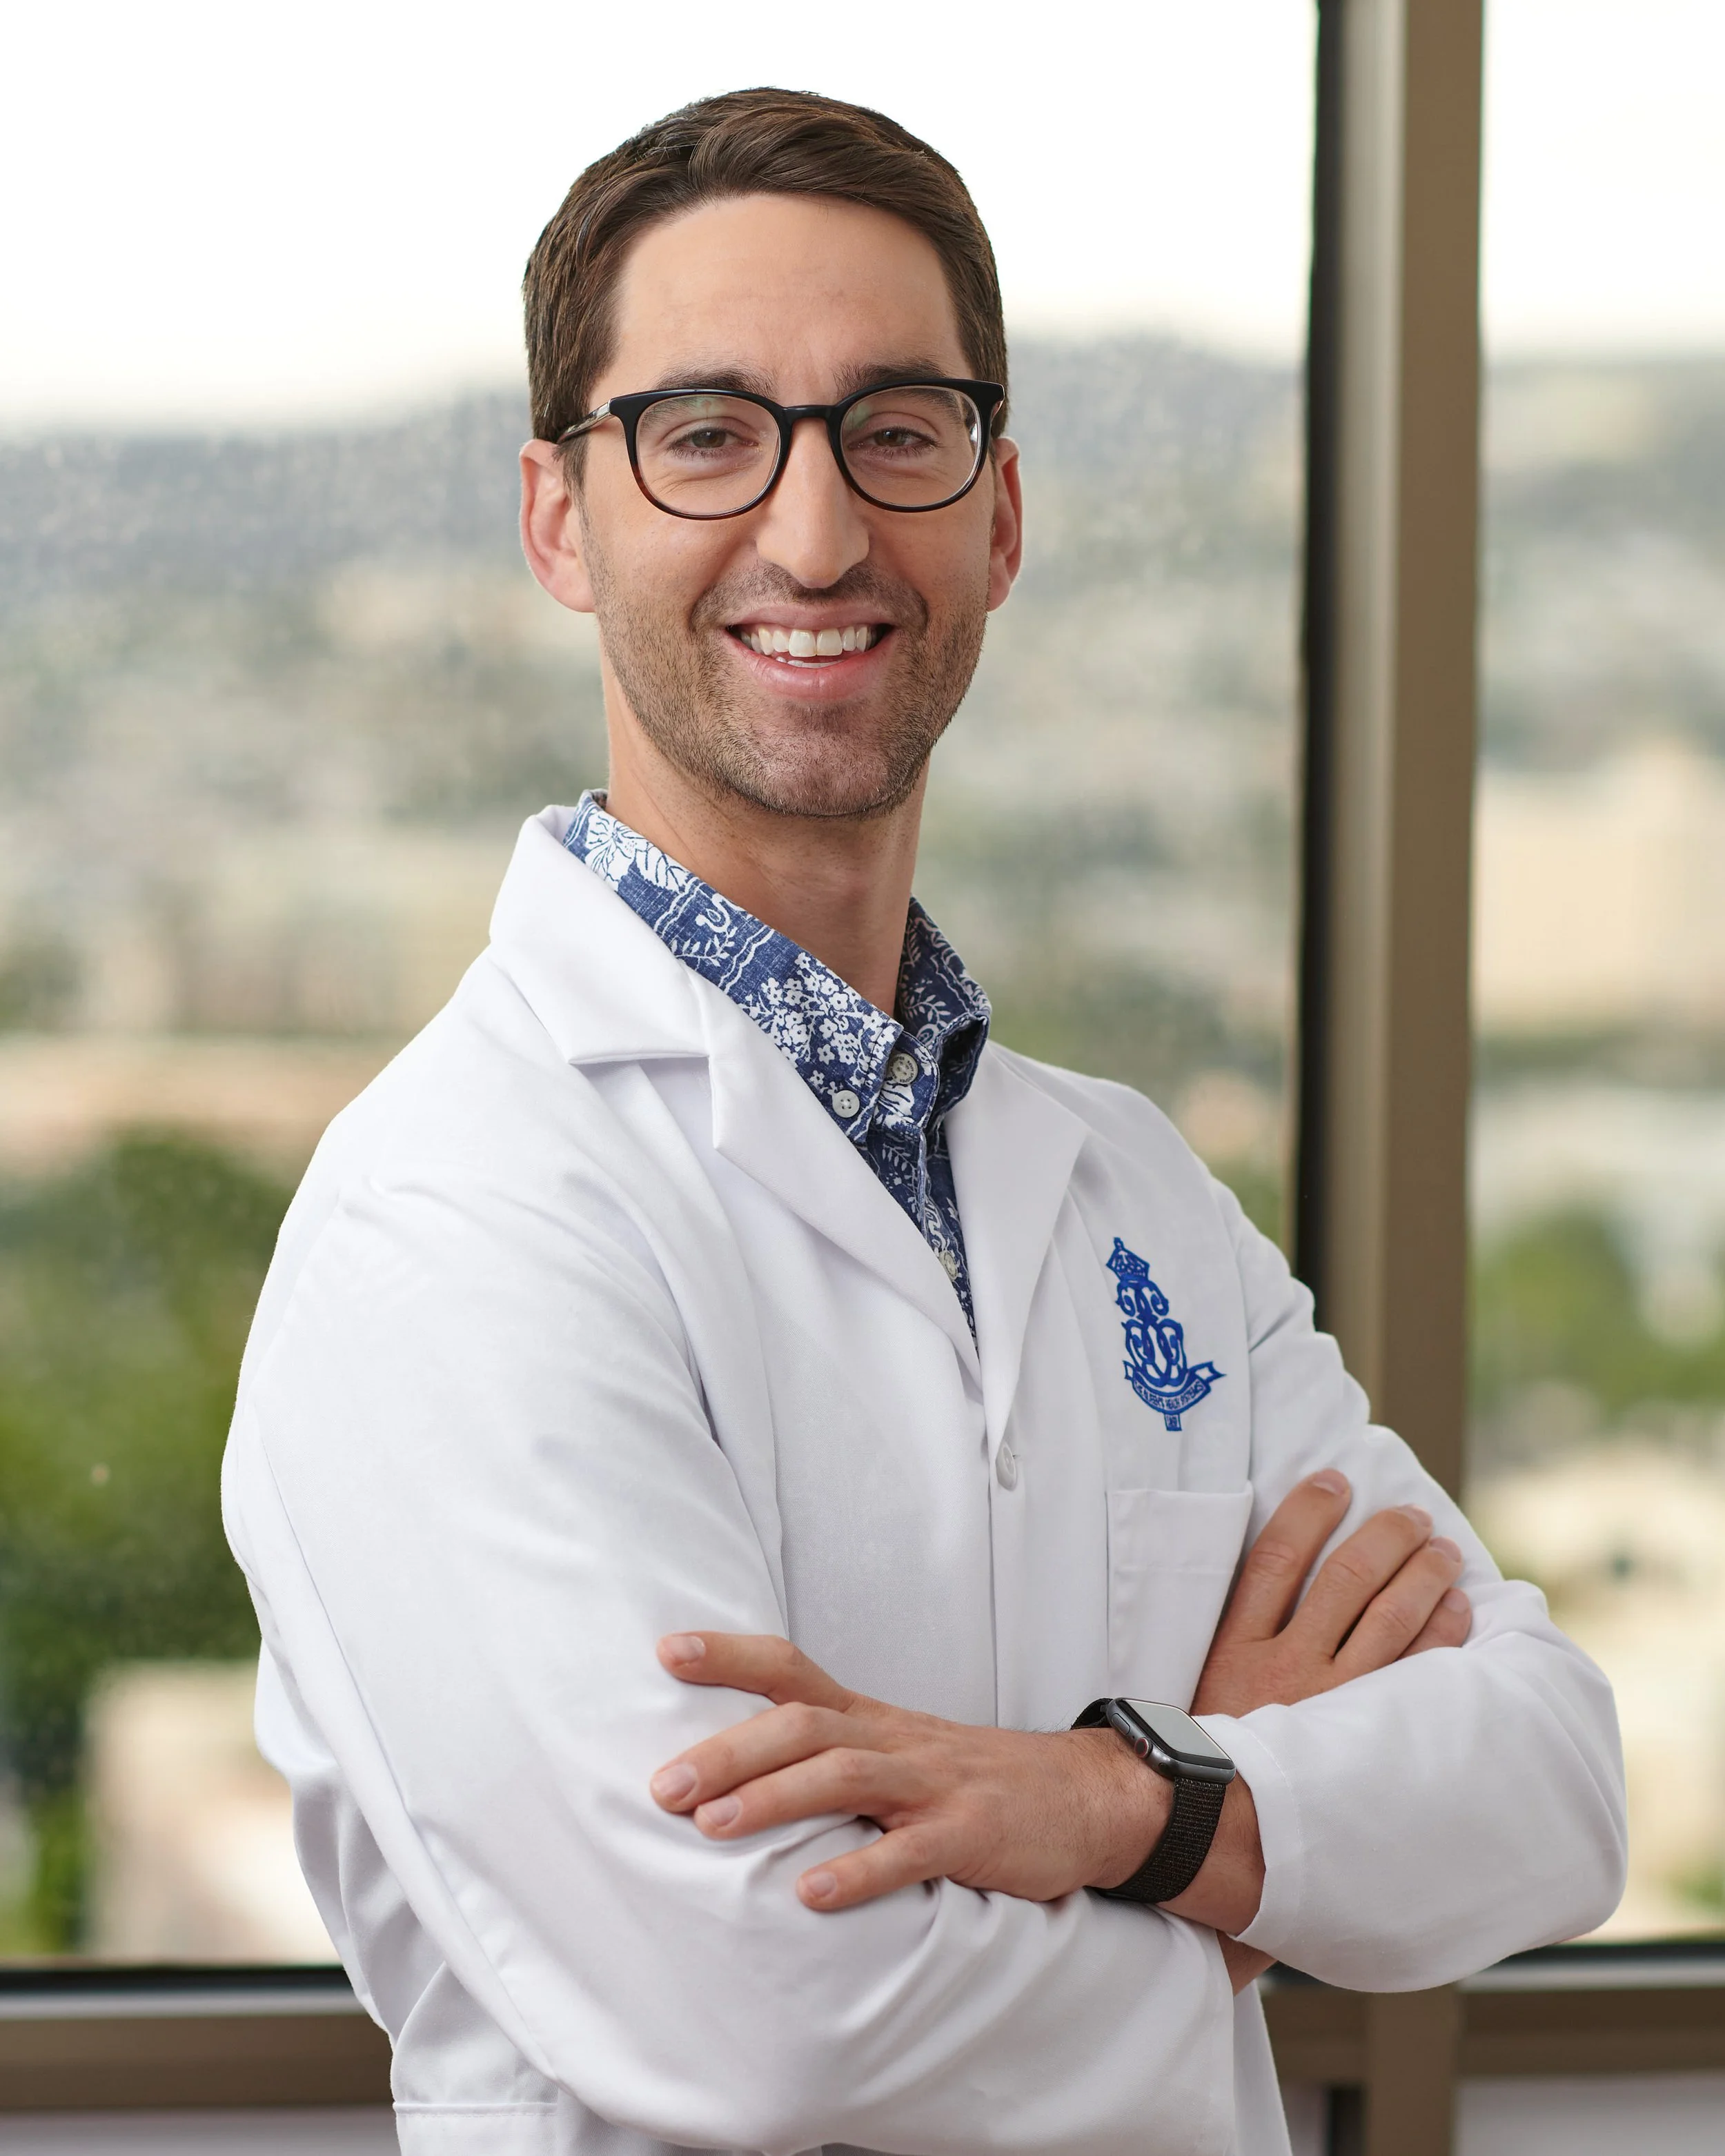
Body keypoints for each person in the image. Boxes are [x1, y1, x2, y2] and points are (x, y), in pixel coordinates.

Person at [223, 87, 1626, 2156]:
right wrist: (1241, 1872)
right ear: (557, 517)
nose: (812, 532)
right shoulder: (454, 1218)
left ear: (999, 513)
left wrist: (1115, 1793)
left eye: (896, 429)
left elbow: (1546, 1782)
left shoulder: (1127, 1185)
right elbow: (757, 2011)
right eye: (702, 432)